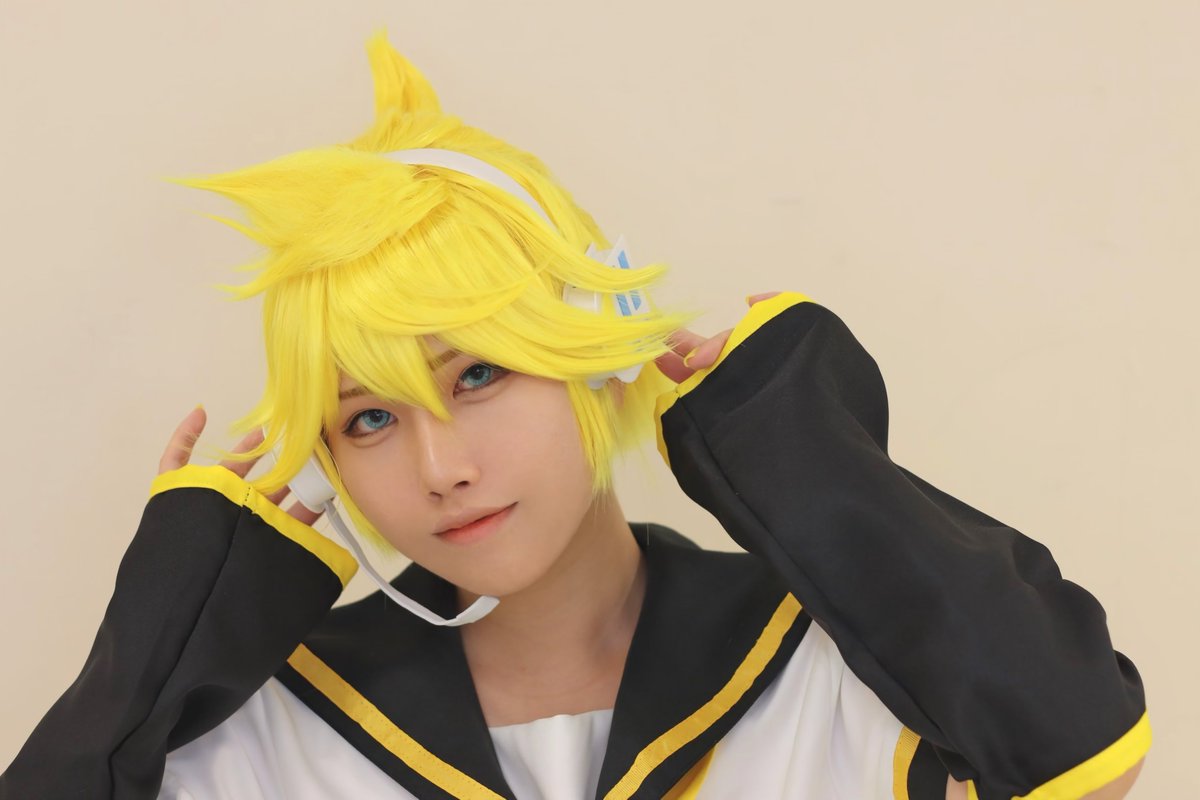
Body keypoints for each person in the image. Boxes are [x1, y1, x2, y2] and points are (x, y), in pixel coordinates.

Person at [0, 30, 1148, 800]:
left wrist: (797, 454)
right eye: (367, 421)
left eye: (478, 376)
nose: (440, 465)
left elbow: (1080, 754)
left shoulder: (829, 662)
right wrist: (164, 634)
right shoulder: (267, 729)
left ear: (594, 350)